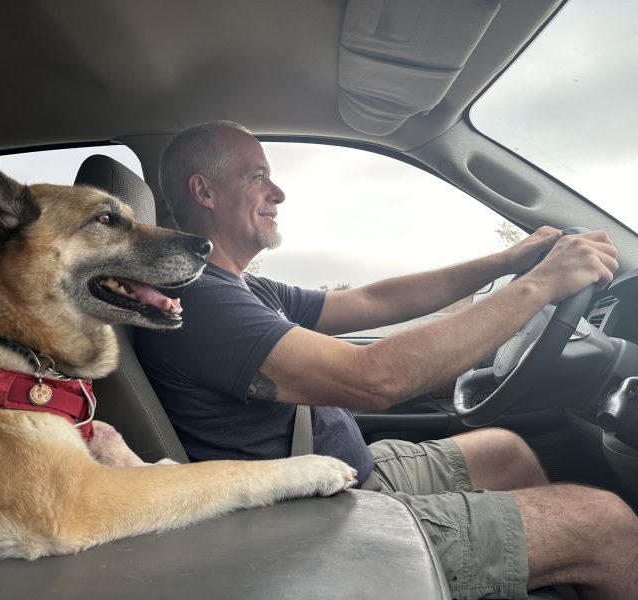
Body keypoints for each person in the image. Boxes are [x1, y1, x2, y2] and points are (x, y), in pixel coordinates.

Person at [133, 120, 637, 599]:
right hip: (310, 525)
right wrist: (542, 283)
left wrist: (508, 262)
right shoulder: (198, 301)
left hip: (344, 475)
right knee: (606, 523)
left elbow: (372, 302)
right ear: (205, 192)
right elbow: (374, 379)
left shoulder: (244, 287)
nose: (278, 192)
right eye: (258, 176)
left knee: (505, 450)